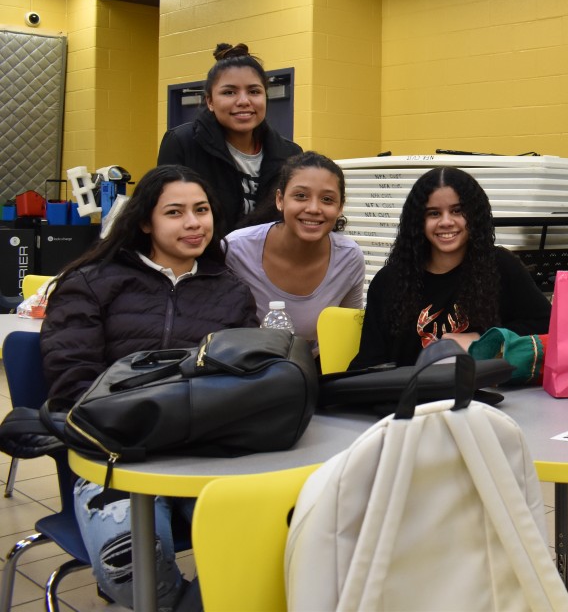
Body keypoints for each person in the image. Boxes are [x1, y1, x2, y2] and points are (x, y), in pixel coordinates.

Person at [41, 165, 258, 610]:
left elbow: (247, 381)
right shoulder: (92, 282)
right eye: (175, 212)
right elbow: (72, 379)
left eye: (201, 210)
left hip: (205, 451)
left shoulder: (231, 292)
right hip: (117, 452)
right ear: (145, 222)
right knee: (129, 570)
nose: (193, 223)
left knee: (268, 542)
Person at [350, 166, 550, 368]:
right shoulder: (389, 281)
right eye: (434, 213)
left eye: (457, 211)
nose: (446, 222)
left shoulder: (502, 266)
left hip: (485, 393)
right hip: (409, 395)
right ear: (417, 221)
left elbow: (547, 324)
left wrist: (482, 339)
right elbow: (370, 361)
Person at [158, 42, 301, 238]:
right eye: (229, 92)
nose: (243, 101)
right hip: (205, 263)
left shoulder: (290, 154)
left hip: (264, 264)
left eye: (254, 91)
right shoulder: (182, 143)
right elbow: (167, 215)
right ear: (210, 101)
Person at [224, 151, 365, 348]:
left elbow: (349, 334)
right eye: (301, 196)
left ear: (340, 206)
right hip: (245, 370)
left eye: (327, 199)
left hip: (316, 371)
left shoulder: (349, 257)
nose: (314, 208)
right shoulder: (236, 249)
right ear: (280, 200)